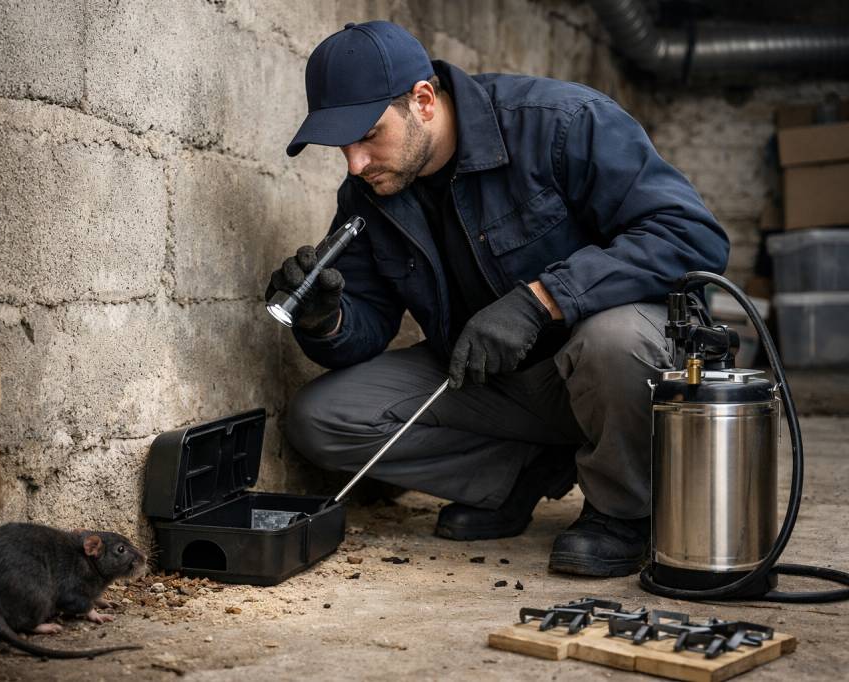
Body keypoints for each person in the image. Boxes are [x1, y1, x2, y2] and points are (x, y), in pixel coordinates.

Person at [268, 21, 728, 577]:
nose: (355, 163)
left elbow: (690, 236)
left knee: (615, 340)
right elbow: (366, 331)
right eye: (341, 146)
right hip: (500, 388)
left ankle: (623, 512)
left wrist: (542, 300)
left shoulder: (561, 123)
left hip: (612, 373)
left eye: (367, 136)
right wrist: (326, 320)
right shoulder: (369, 193)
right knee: (322, 418)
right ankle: (518, 476)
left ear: (423, 100)